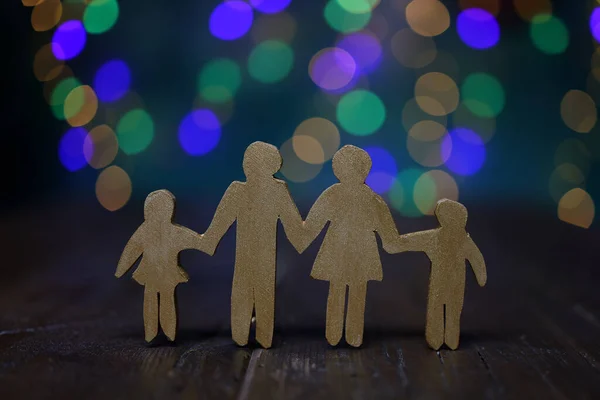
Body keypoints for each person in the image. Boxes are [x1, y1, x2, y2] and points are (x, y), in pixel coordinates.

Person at [202, 141, 305, 349]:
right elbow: (219, 224)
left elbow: (294, 226)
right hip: (248, 255)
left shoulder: (276, 191)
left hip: (264, 255)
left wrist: (208, 241)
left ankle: (259, 335)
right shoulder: (238, 191)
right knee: (248, 290)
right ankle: (246, 334)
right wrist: (208, 241)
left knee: (259, 291)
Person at [299, 145, 400, 347]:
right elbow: (389, 237)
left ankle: (342, 335)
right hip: (353, 251)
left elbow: (310, 227)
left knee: (345, 291)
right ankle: (345, 335)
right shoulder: (371, 198)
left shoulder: (341, 195)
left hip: (346, 251)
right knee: (349, 291)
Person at [388, 199, 487, 350]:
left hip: (455, 281)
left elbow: (476, 258)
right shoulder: (437, 237)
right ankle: (437, 339)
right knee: (439, 307)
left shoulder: (462, 239)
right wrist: (397, 243)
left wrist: (481, 276)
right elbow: (413, 241)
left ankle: (450, 339)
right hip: (440, 280)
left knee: (451, 308)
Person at [115, 190, 209, 342]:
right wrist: (120, 270)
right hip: (154, 274)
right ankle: (155, 333)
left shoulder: (166, 231)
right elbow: (131, 250)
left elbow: (194, 240)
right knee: (156, 299)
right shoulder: (147, 230)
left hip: (165, 274)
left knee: (162, 299)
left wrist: (206, 243)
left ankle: (165, 333)